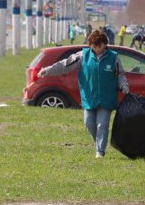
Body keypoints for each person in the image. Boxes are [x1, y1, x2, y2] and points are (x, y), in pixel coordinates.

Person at [38, 30, 129, 158]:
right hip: (89, 97)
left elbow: (120, 74)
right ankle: (99, 142)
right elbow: (65, 65)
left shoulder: (114, 57)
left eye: (99, 45)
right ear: (90, 44)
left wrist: (124, 85)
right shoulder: (82, 56)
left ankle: (100, 151)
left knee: (102, 124)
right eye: (94, 45)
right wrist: (47, 70)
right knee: (88, 123)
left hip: (106, 98)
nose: (96, 48)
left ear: (105, 44)